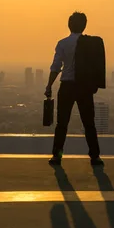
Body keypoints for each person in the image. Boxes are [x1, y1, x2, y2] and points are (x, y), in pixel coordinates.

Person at [45, 12, 104, 166]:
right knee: (89, 123)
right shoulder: (91, 44)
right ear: (84, 26)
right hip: (84, 87)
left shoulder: (63, 43)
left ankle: (57, 156)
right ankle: (95, 156)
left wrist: (49, 85)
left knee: (62, 123)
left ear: (69, 25)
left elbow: (56, 67)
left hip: (67, 86)